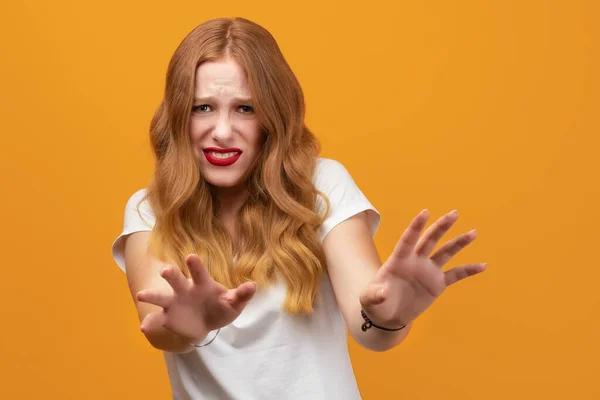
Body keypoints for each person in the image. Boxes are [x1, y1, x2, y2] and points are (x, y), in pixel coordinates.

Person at [111, 17, 486, 400]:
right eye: (202, 107)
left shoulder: (322, 187)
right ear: (177, 115)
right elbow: (158, 327)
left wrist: (389, 316)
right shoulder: (149, 211)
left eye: (245, 108)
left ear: (274, 116)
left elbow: (369, 328)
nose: (222, 131)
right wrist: (189, 327)